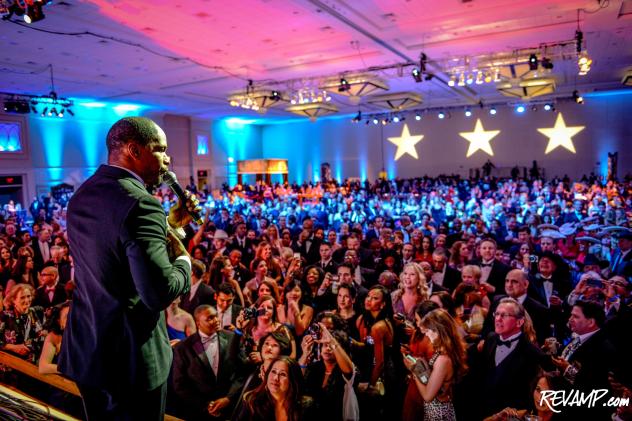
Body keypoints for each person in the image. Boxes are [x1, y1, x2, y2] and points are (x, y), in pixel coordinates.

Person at [59, 116, 196, 420]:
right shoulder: (142, 204)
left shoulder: (83, 194)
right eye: (160, 149)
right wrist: (185, 259)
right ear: (134, 150)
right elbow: (158, 294)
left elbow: (116, 255)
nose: (167, 158)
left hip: (89, 352)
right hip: (131, 360)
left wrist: (169, 228)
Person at [171, 305, 243, 420]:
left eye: (216, 316)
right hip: (197, 412)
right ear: (198, 323)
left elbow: (240, 372)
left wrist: (228, 398)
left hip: (229, 410)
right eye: (210, 318)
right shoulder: (183, 348)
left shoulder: (231, 338)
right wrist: (205, 404)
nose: (216, 320)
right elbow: (180, 384)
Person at [402, 308, 468, 421]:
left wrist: (413, 370)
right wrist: (422, 365)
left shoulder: (443, 359)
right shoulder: (445, 350)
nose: (427, 335)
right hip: (440, 406)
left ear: (438, 330)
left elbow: (428, 396)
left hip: (437, 411)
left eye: (427, 331)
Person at [299, 323, 356, 421]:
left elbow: (349, 371)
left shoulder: (346, 369)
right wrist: (305, 354)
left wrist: (331, 340)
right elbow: (296, 379)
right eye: (325, 345)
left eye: (331, 346)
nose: (328, 348)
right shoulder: (315, 367)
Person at [234, 356, 303, 421]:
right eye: (273, 371)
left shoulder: (304, 407)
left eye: (282, 374)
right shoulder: (252, 401)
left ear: (292, 381)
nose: (275, 378)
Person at [0, 283, 46, 363]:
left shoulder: (36, 312)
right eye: (22, 297)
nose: (27, 300)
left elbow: (42, 337)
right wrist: (13, 347)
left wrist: (29, 346)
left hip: (31, 364)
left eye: (29, 296)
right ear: (14, 300)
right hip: (10, 364)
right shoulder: (4, 316)